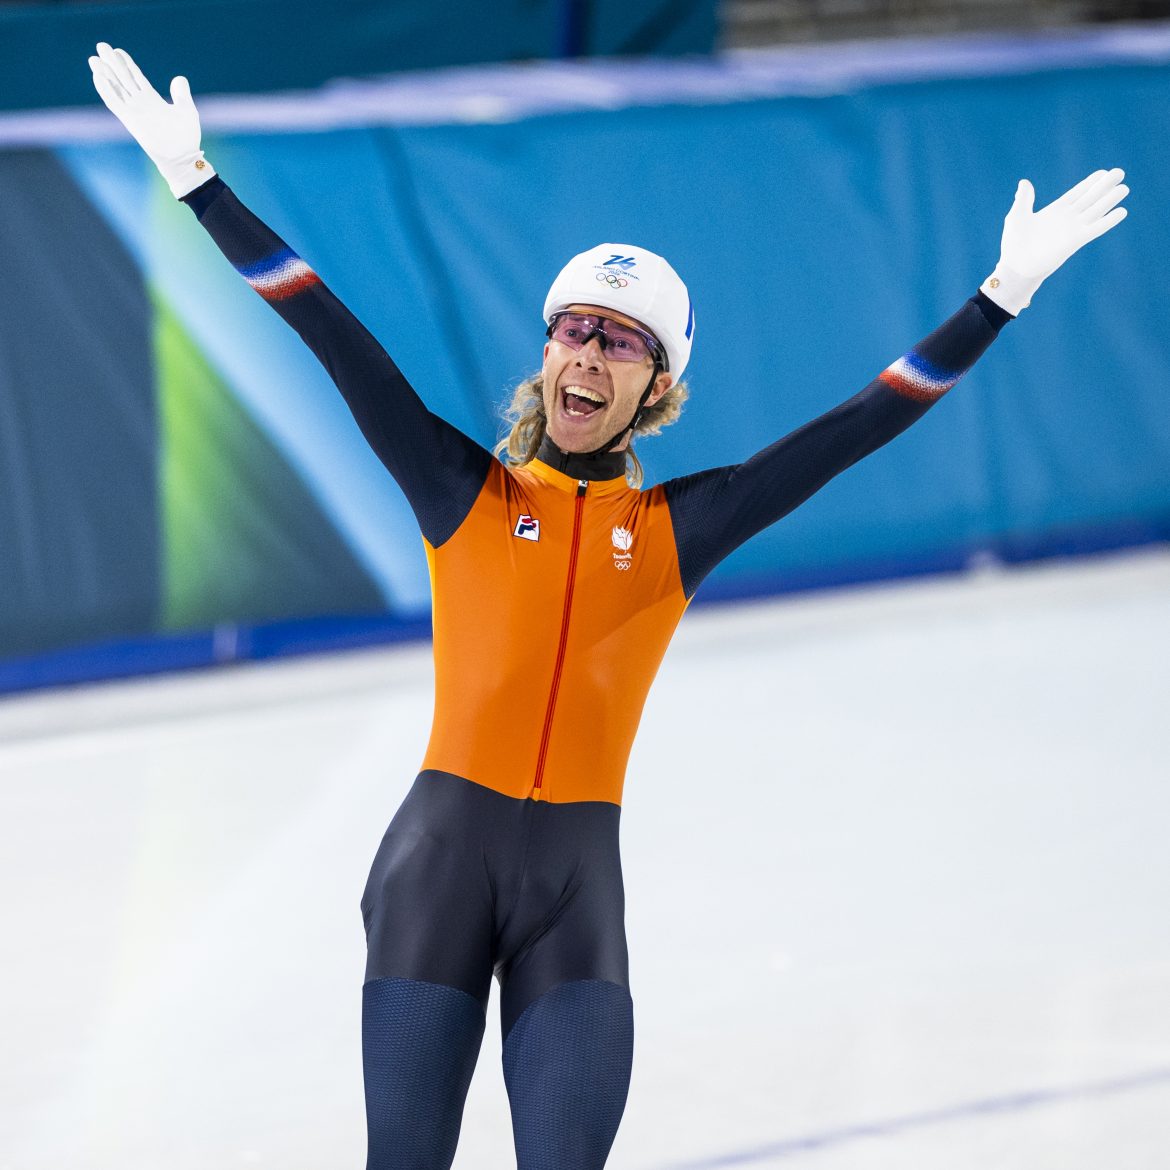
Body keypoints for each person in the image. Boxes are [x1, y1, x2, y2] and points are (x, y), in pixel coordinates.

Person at [88, 41, 1128, 1170]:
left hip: (574, 893)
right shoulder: (463, 492)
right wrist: (198, 184)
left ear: (656, 385)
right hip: (438, 868)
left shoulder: (683, 528)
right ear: (546, 355)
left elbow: (862, 423)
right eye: (572, 330)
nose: (586, 354)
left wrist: (997, 298)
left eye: (619, 341)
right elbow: (329, 331)